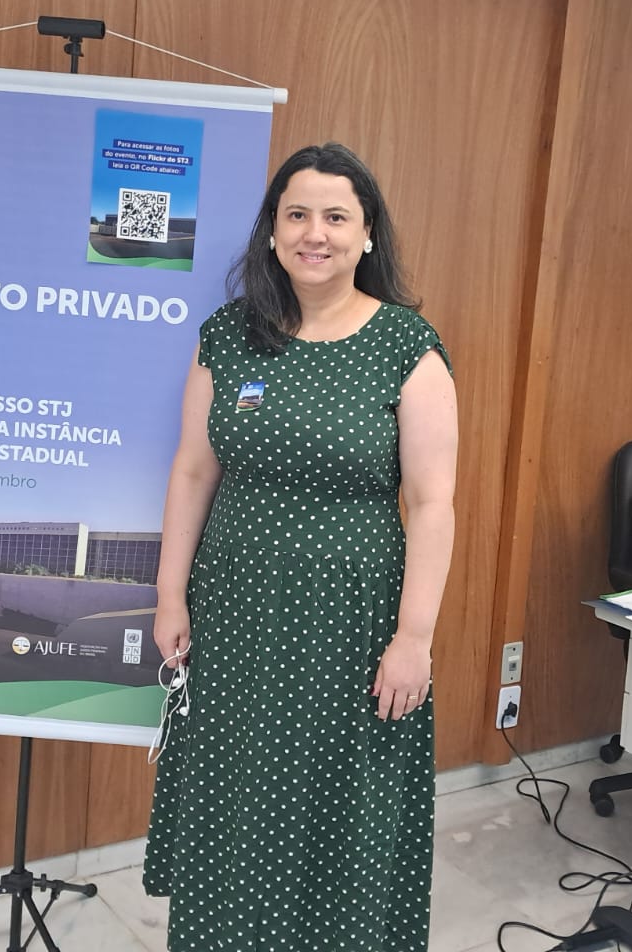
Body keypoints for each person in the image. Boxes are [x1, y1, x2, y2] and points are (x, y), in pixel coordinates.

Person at [142, 142, 458, 952]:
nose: (314, 233)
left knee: (338, 798)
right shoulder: (228, 334)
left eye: (336, 216)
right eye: (297, 214)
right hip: (236, 610)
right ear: (273, 231)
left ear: (367, 235)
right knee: (237, 793)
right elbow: (191, 469)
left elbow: (431, 504)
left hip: (349, 621)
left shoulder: (406, 347)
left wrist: (413, 640)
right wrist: (169, 593)